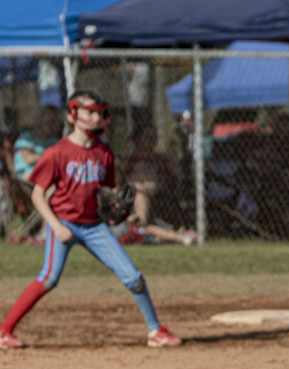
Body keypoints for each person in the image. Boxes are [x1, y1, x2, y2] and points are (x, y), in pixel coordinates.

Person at [0, 91, 181, 349]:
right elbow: (38, 195)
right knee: (49, 277)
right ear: (72, 116)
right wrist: (56, 226)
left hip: (94, 226)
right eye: (90, 112)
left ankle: (155, 330)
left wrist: (124, 211)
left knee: (133, 277)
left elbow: (108, 191)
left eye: (100, 113)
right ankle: (4, 331)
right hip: (64, 223)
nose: (96, 118)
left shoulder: (103, 152)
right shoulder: (57, 152)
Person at [117, 129, 197, 246]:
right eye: (147, 137)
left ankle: (141, 227)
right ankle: (141, 226)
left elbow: (178, 175)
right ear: (137, 140)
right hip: (133, 194)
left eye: (153, 137)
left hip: (158, 193)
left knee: (141, 190)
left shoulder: (160, 157)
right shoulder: (130, 158)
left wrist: (173, 153)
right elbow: (119, 179)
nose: (152, 140)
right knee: (140, 188)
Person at [12, 105, 63, 181]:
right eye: (48, 121)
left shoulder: (56, 141)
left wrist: (37, 156)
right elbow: (29, 159)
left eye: (54, 122)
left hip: (48, 174)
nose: (51, 125)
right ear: (41, 120)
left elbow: (60, 160)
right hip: (27, 174)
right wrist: (50, 157)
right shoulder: (27, 137)